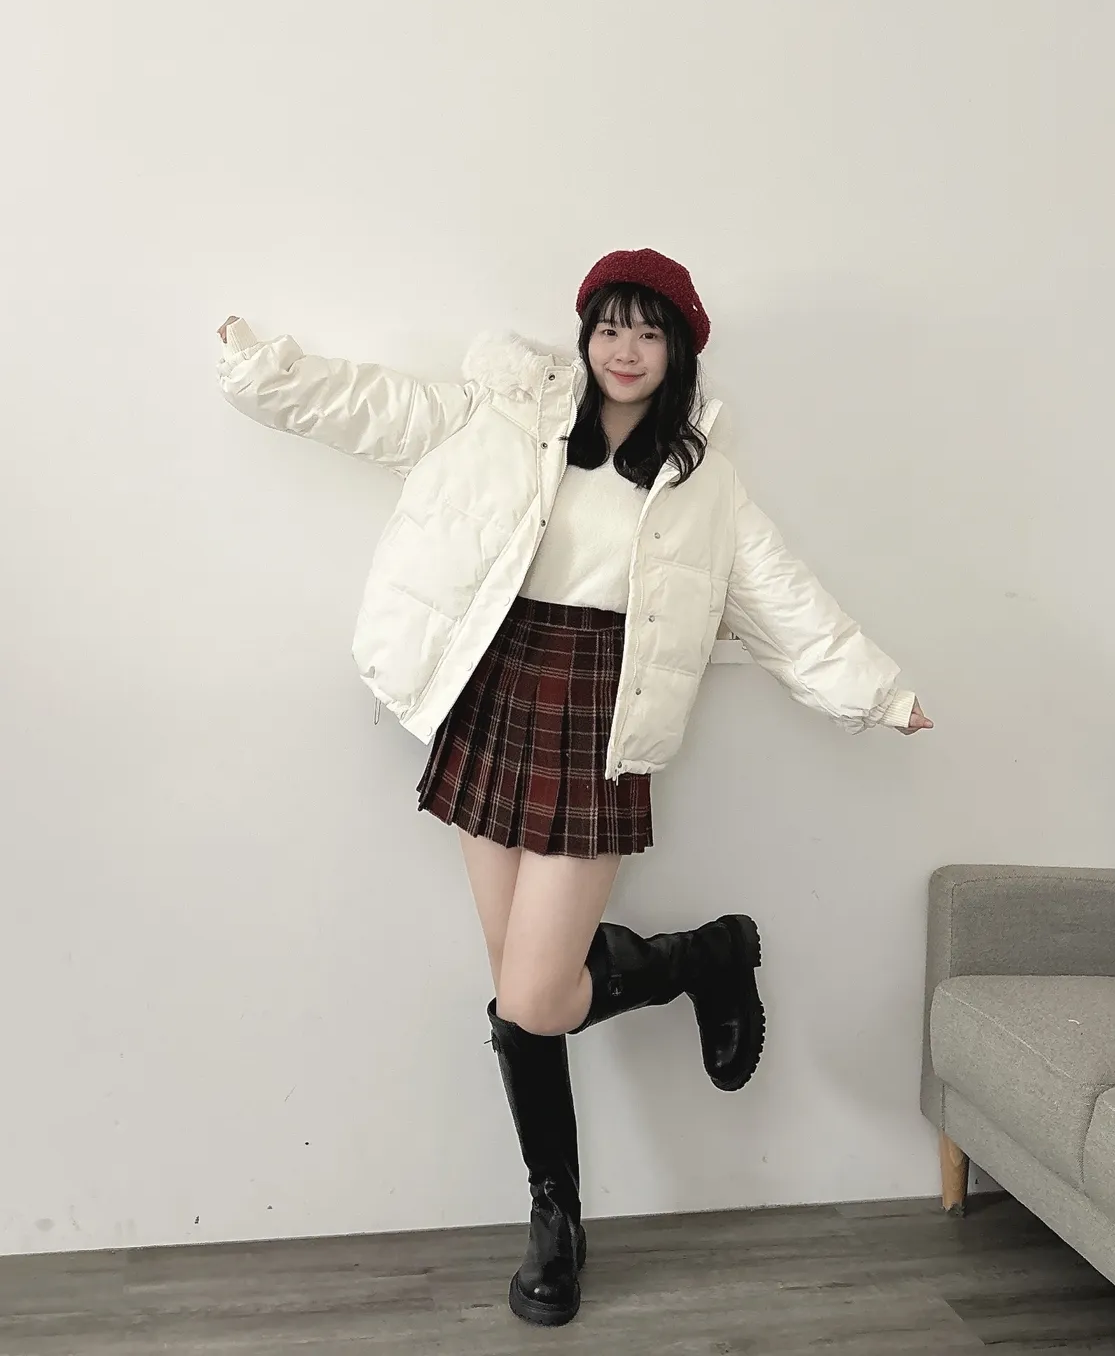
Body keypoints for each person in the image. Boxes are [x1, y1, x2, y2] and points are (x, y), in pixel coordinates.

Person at [216, 247, 931, 1328]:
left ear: (679, 349)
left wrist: (877, 691)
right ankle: (560, 1215)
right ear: (585, 334)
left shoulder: (701, 481)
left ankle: (703, 962)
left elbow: (782, 597)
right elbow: (372, 408)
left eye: (648, 331)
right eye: (609, 326)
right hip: (493, 692)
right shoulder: (507, 416)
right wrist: (261, 371)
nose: (624, 349)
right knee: (521, 992)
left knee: (534, 996)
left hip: (600, 715)